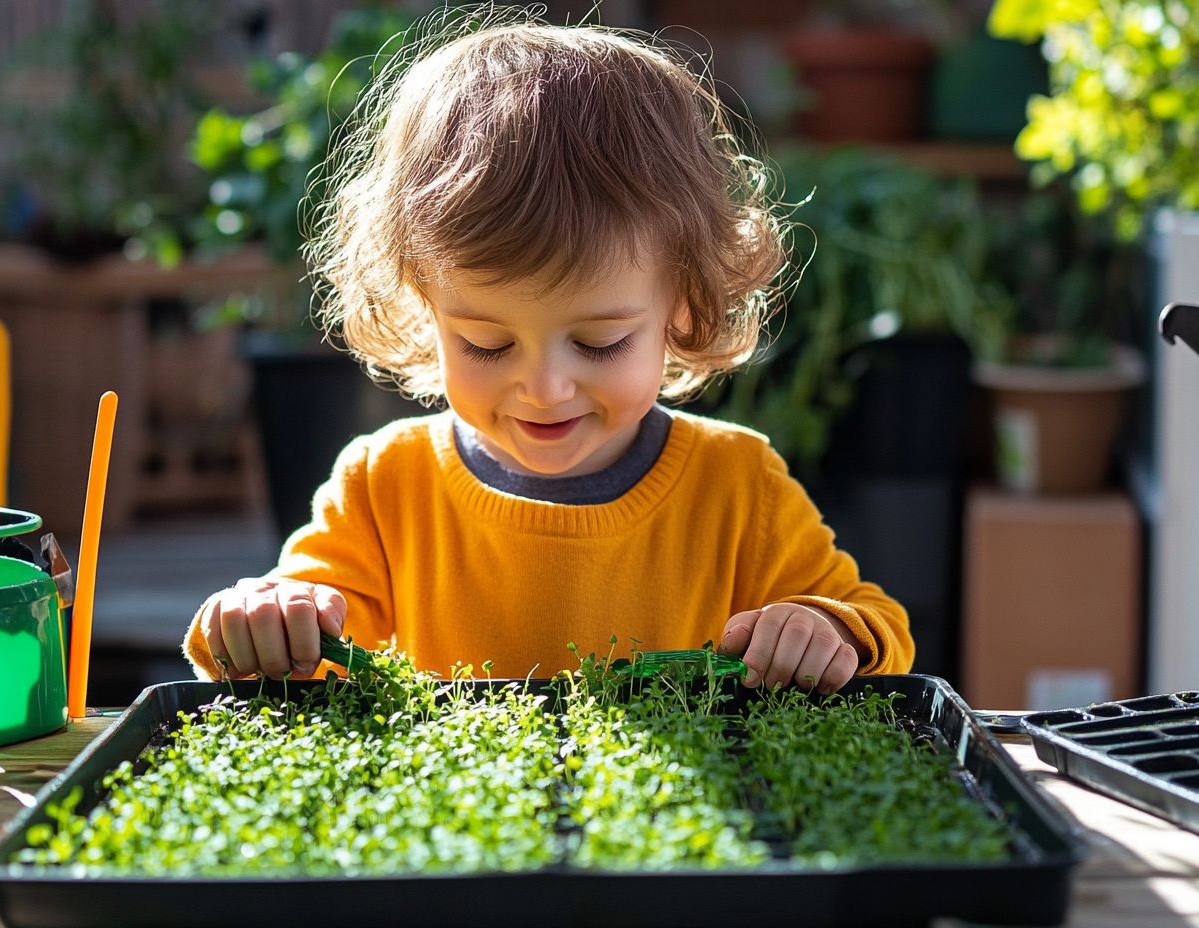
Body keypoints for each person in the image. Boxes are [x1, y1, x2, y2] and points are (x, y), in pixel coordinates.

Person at [182, 11, 913, 693]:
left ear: (683, 307)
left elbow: (878, 629)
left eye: (600, 343)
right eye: (485, 343)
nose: (544, 387)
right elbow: (291, 651)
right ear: (423, 303)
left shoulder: (737, 487)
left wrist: (823, 629)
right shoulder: (383, 488)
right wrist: (264, 621)